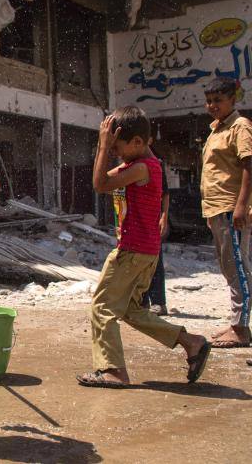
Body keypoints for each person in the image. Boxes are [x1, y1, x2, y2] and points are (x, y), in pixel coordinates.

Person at [76, 107, 210, 388]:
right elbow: (102, 180)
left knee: (102, 307)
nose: (116, 153)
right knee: (131, 310)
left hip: (132, 252)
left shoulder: (141, 168)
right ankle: (192, 342)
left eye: (118, 148)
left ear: (138, 142)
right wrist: (108, 148)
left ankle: (113, 370)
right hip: (146, 252)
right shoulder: (138, 165)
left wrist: (102, 146)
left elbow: (100, 184)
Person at [200, 77, 252, 348]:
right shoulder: (215, 130)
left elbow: (248, 166)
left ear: (233, 99)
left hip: (232, 208)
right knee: (229, 267)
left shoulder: (240, 126)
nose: (212, 105)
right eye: (209, 100)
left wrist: (241, 206)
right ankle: (236, 322)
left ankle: (242, 329)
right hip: (217, 210)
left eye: (218, 100)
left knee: (238, 267)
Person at [141, 155, 170, 315]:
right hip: (134, 221)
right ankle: (141, 301)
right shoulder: (128, 164)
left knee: (155, 261)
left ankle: (158, 302)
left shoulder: (155, 164)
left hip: (151, 219)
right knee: (137, 261)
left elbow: (165, 194)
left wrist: (164, 217)